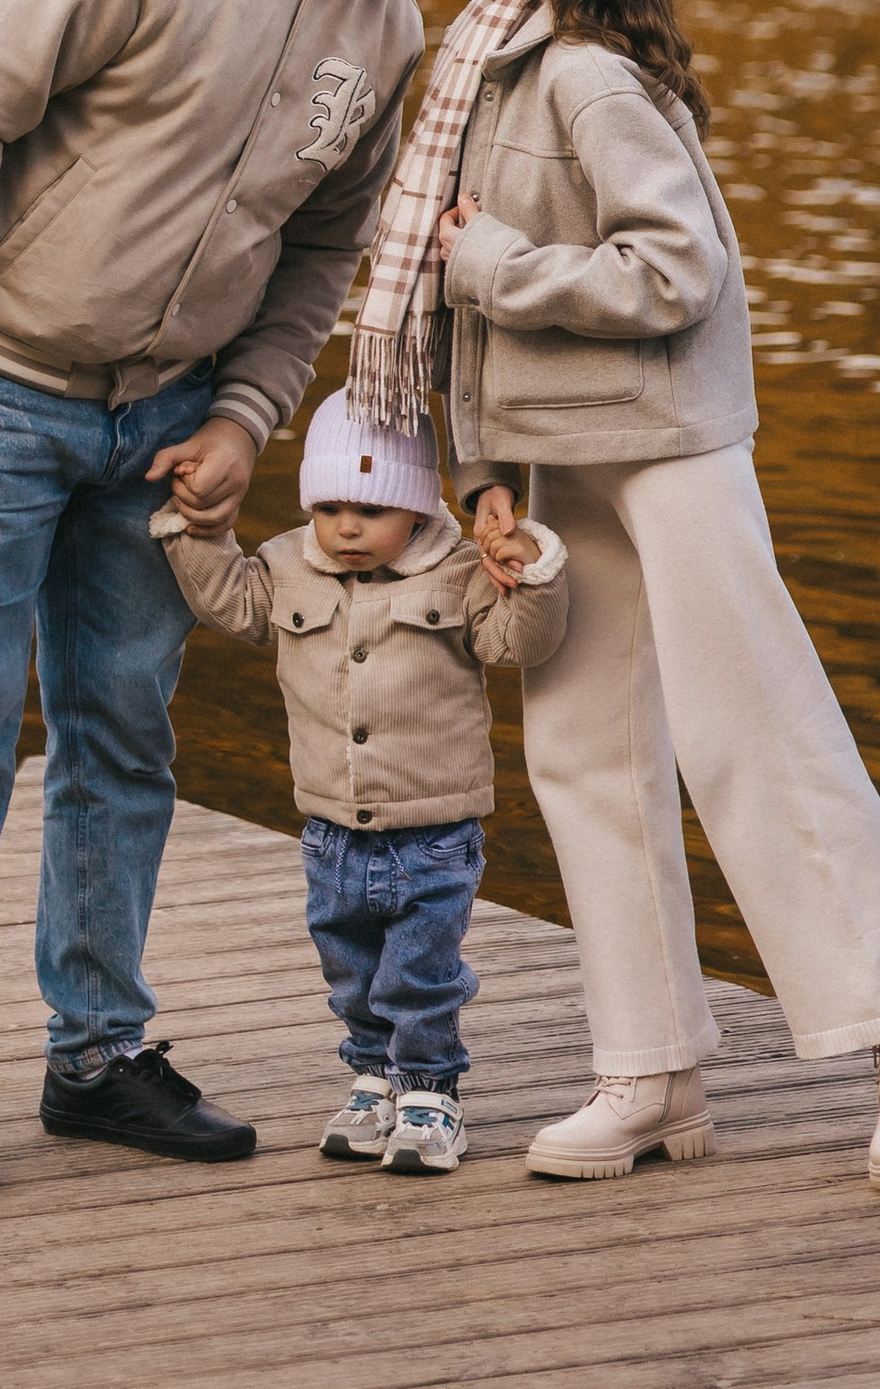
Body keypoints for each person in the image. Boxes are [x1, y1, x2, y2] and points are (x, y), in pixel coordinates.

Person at [0, 0, 495, 1211]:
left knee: (123, 736)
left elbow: (322, 251)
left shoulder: (384, 19)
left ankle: (96, 1056)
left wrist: (242, 414)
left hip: (164, 430)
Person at [379, 0, 880, 1195]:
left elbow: (674, 272)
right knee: (584, 754)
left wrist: (496, 270)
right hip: (559, 452)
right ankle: (650, 1068)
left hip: (664, 441)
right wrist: (482, 477)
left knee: (750, 730)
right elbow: (456, 300)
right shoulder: (487, 63)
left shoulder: (590, 76)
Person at [155, 387, 569, 1174]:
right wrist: (194, 529)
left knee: (420, 972)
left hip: (434, 829)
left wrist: (535, 572)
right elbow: (231, 604)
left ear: (415, 506)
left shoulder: (459, 570)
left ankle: (430, 1092)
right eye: (330, 507)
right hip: (330, 827)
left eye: (372, 509)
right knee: (349, 967)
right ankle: (373, 1077)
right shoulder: (285, 564)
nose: (347, 527)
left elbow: (518, 645)